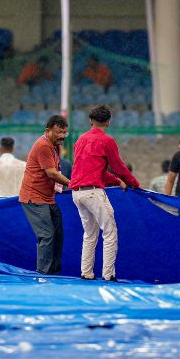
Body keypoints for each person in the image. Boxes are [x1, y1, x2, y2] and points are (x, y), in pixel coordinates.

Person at [69, 105, 140, 281]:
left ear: (90, 121)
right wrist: (134, 183)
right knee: (109, 231)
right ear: (108, 122)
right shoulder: (107, 141)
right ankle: (108, 275)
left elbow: (94, 170)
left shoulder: (80, 140)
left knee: (89, 233)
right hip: (93, 192)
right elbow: (118, 167)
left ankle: (86, 272)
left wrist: (117, 181)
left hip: (77, 193)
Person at [19, 115, 71, 275]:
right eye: (58, 132)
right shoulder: (43, 145)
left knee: (58, 234)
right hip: (33, 197)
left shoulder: (56, 146)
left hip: (48, 198)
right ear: (47, 131)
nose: (62, 136)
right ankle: (43, 274)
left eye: (64, 132)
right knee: (47, 235)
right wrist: (75, 184)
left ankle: (54, 272)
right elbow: (52, 173)